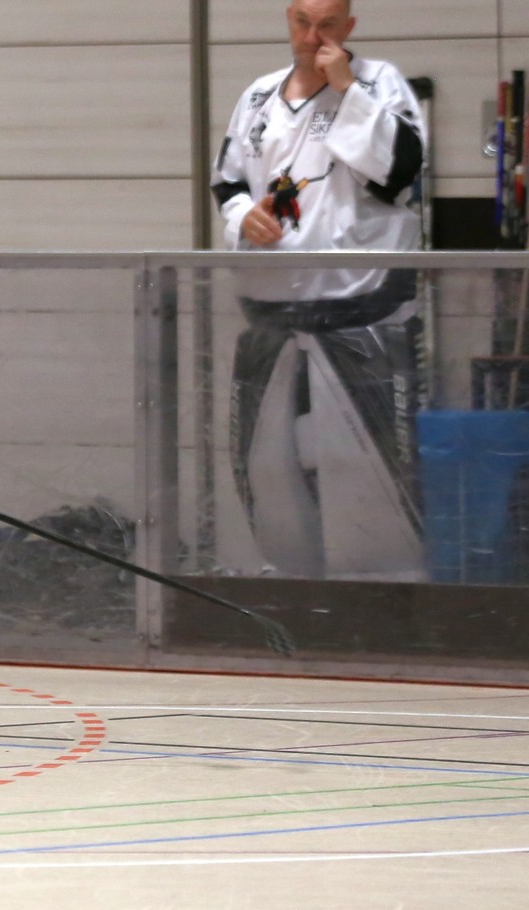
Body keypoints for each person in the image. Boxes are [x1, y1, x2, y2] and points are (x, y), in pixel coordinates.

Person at [210, 0, 427, 580]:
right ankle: (281, 593)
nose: (312, 35)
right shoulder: (259, 95)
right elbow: (227, 181)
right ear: (288, 19)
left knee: (368, 477)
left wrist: (346, 88)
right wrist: (243, 217)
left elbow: (399, 171)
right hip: (268, 312)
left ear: (348, 27)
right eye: (302, 22)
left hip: (363, 311)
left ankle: (385, 601)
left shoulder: (379, 85)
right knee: (268, 473)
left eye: (326, 24)